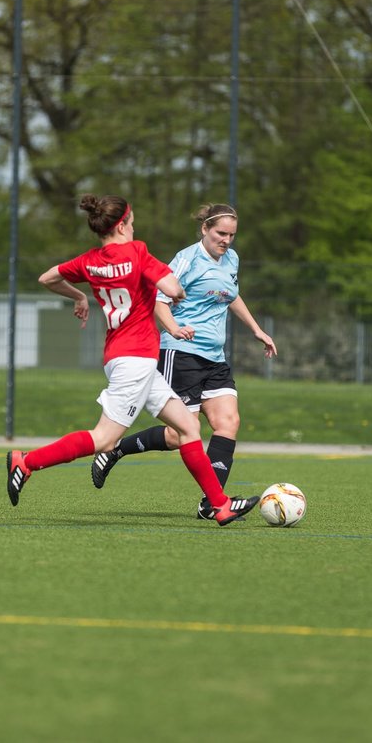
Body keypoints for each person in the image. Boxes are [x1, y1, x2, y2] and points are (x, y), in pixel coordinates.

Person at [6, 194, 260, 527]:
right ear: (123, 223)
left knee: (187, 427)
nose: (134, 225)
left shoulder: (90, 261)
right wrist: (172, 290)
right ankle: (25, 462)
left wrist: (80, 295)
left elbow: (48, 277)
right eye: (133, 220)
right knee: (103, 439)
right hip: (136, 359)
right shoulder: (137, 251)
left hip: (120, 353)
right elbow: (174, 288)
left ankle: (220, 505)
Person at [88, 203, 277, 520]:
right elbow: (160, 301)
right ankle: (115, 450)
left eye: (231, 235)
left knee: (228, 422)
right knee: (178, 435)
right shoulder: (187, 260)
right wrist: (173, 329)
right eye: (220, 233)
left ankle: (212, 504)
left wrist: (256, 329)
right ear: (205, 229)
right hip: (181, 353)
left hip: (215, 359)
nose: (226, 240)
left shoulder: (231, 259)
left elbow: (231, 294)